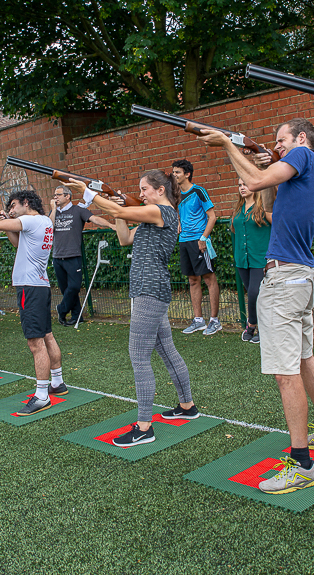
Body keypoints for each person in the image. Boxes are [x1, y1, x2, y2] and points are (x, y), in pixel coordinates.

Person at [195, 118, 314, 494]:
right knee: (304, 358)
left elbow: (255, 183)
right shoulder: (310, 169)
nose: (277, 146)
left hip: (285, 279)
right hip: (299, 275)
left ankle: (302, 464)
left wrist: (227, 144)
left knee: (285, 373)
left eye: (282, 140)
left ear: (301, 138)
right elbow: (264, 191)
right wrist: (261, 161)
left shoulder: (303, 155)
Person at [65, 170, 198, 447]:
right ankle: (187, 406)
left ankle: (144, 427)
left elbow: (117, 209)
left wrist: (89, 193)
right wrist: (120, 211)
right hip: (149, 290)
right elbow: (124, 238)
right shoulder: (153, 218)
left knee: (139, 357)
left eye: (144, 189)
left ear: (160, 190)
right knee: (166, 349)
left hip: (149, 290)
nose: (141, 194)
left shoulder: (162, 212)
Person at [0, 190, 66, 416]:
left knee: (35, 342)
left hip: (29, 287)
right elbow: (17, 243)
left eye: (14, 205)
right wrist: (7, 223)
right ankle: (57, 382)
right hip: (39, 285)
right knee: (47, 335)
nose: (11, 210)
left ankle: (42, 396)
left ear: (26, 203)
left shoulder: (30, 220)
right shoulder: (43, 221)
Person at [49, 184, 115, 326]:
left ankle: (61, 309)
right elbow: (49, 227)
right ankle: (77, 316)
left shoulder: (78, 210)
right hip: (57, 256)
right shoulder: (53, 212)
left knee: (74, 287)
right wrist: (53, 209)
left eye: (58, 195)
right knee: (66, 290)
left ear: (67, 196)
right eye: (54, 195)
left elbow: (94, 219)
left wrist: (111, 225)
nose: (55, 197)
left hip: (73, 255)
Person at [171, 159, 221, 336]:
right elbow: (177, 213)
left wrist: (203, 238)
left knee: (209, 279)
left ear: (187, 174)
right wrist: (178, 222)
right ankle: (198, 320)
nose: (174, 175)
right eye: (173, 172)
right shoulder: (176, 194)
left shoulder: (199, 191)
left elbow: (212, 217)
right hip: (184, 241)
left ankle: (215, 321)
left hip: (199, 241)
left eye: (177, 172)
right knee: (192, 280)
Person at [231, 178, 272, 344]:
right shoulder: (238, 208)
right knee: (252, 293)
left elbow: (276, 227)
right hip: (242, 259)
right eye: (240, 185)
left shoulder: (263, 207)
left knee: (256, 293)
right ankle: (256, 325)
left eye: (245, 184)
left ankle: (254, 324)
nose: (242, 188)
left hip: (260, 258)